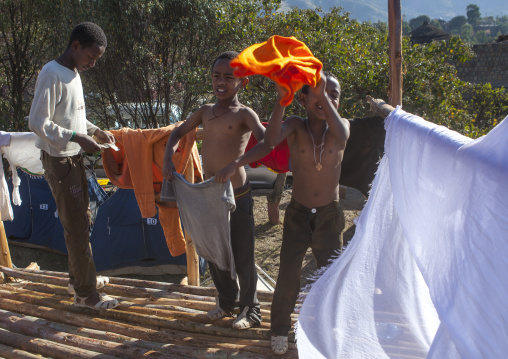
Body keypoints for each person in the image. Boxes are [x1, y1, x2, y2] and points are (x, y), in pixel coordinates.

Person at [162, 51, 269, 329]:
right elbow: (177, 132)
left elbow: (266, 142)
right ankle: (226, 301)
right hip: (209, 193)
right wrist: (167, 158)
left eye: (229, 77)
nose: (221, 82)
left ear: (242, 81)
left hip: (237, 194)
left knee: (241, 253)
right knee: (213, 250)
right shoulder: (205, 112)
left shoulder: (244, 114)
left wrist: (236, 164)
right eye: (216, 76)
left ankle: (251, 308)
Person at [28, 22, 119, 310]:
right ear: (75, 45)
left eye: (97, 59)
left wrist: (94, 131)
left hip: (73, 156)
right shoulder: (52, 73)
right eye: (91, 56)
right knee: (76, 225)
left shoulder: (73, 73)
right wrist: (76, 137)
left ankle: (76, 279)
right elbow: (37, 122)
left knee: (82, 220)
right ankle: (85, 294)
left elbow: (71, 117)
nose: (93, 64)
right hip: (59, 161)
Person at [264, 72, 349, 354]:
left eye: (333, 94)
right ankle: (278, 328)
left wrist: (323, 92)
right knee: (288, 274)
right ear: (303, 99)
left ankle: (329, 325)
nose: (327, 98)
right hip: (298, 215)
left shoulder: (341, 127)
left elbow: (344, 135)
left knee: (330, 275)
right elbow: (271, 137)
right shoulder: (295, 125)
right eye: (319, 92)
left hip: (329, 217)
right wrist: (281, 100)